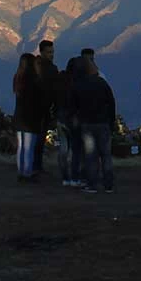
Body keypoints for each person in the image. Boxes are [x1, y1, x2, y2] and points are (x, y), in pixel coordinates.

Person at [72, 57, 117, 194]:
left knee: (90, 155)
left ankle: (92, 184)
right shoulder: (102, 83)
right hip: (103, 123)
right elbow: (111, 102)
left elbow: (74, 105)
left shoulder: (79, 85)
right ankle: (108, 184)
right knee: (106, 154)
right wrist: (112, 120)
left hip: (87, 123)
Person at [13, 53, 44, 182]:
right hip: (30, 119)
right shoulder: (34, 80)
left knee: (21, 147)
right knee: (29, 148)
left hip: (19, 117)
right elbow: (37, 102)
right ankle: (28, 173)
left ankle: (21, 172)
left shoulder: (18, 78)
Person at [56, 57, 85, 187]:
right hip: (74, 119)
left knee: (63, 149)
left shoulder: (61, 80)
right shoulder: (79, 83)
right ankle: (75, 177)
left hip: (60, 117)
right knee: (76, 149)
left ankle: (65, 177)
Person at [34, 39, 58, 173]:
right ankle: (36, 165)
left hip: (42, 109)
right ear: (42, 52)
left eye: (52, 52)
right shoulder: (49, 69)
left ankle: (35, 165)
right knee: (38, 139)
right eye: (49, 52)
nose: (52, 55)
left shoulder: (34, 67)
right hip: (41, 109)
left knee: (38, 139)